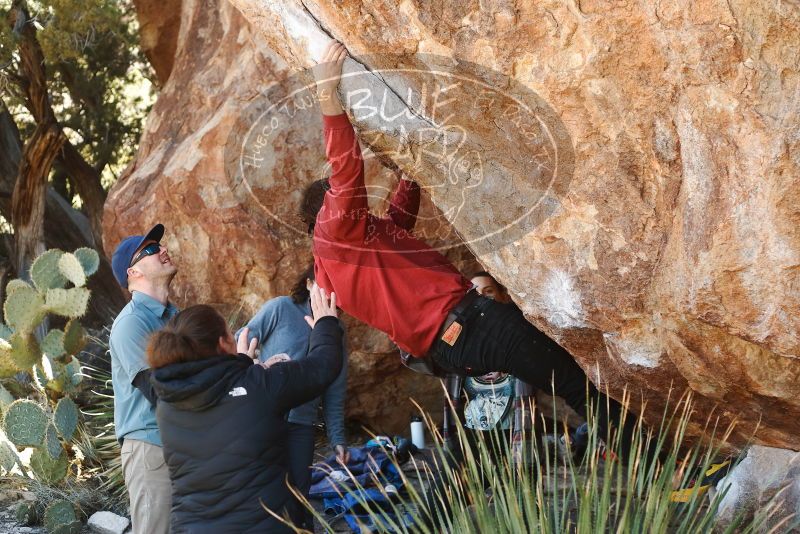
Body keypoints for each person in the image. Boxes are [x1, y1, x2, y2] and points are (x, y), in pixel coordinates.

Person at [305, 41, 642, 460]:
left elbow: (395, 228)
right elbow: (346, 169)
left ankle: (456, 502)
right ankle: (664, 468)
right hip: (468, 323)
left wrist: (410, 177)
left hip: (453, 346)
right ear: (327, 208)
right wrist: (327, 94)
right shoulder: (334, 225)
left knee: (528, 402)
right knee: (573, 384)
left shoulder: (337, 262)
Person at [148, 285, 344, 533]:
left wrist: (242, 364)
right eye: (231, 332)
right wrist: (326, 322)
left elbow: (220, 391)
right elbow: (323, 366)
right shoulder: (260, 385)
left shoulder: (167, 405)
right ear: (224, 342)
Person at [239, 264, 349, 529]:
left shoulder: (337, 330)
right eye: (326, 286)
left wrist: (338, 439)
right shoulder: (280, 308)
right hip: (266, 419)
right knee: (267, 495)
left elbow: (335, 388)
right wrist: (260, 366)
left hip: (303, 425)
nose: (331, 295)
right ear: (310, 283)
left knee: (300, 496)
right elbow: (240, 342)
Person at [108, 223, 176, 534]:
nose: (162, 250)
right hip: (150, 449)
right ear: (132, 274)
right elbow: (159, 389)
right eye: (149, 250)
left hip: (183, 444)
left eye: (159, 246)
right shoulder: (130, 324)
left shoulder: (176, 316)